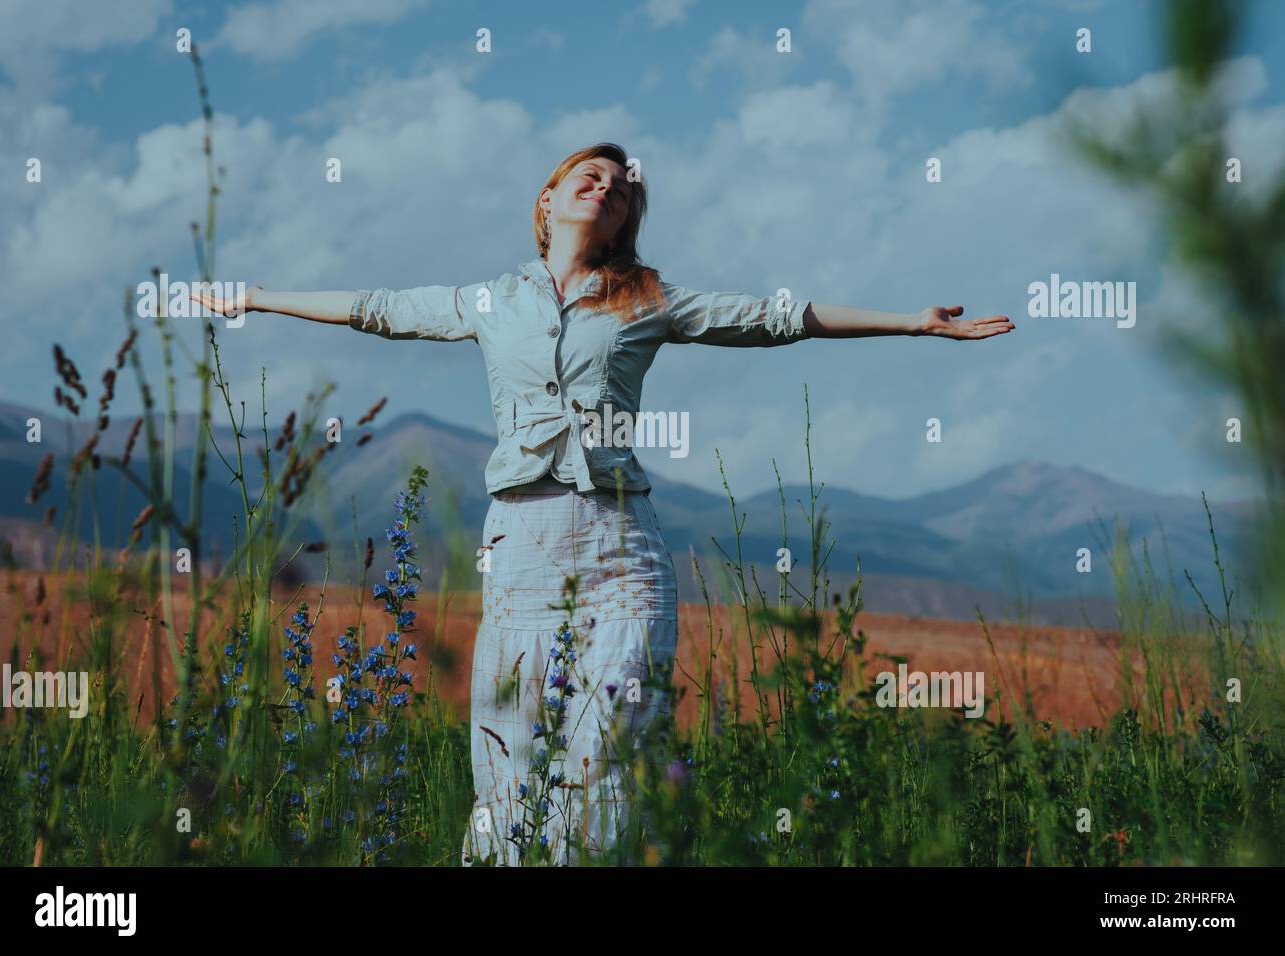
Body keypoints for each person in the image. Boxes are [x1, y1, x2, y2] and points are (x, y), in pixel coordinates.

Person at [191, 141, 1014, 865]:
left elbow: (774, 318)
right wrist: (258, 298)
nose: (608, 189)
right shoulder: (489, 300)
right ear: (546, 200)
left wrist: (914, 323)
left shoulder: (647, 297)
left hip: (621, 544)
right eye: (591, 177)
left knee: (610, 744)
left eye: (622, 189)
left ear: (623, 223)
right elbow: (376, 310)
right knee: (508, 750)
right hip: (517, 542)